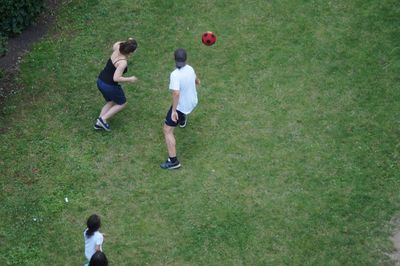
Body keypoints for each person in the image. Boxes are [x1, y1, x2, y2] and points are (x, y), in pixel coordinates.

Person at [160, 48, 200, 169]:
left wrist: (173, 111)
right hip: (192, 101)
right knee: (181, 112)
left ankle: (173, 161)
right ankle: (182, 120)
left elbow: (176, 94)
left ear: (174, 59)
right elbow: (195, 78)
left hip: (182, 106)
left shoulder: (175, 75)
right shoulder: (190, 68)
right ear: (186, 59)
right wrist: (197, 81)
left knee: (167, 130)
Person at [95, 38, 138, 131]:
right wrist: (130, 79)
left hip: (100, 81)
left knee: (111, 101)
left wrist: (128, 41)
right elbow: (116, 78)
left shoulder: (118, 46)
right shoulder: (122, 63)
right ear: (130, 53)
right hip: (109, 85)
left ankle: (99, 123)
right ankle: (103, 119)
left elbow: (116, 44)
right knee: (122, 103)